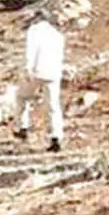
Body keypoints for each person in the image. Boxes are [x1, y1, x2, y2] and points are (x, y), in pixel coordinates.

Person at [13, 9, 66, 152]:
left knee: (22, 97)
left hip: (37, 71)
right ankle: (56, 137)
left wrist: (27, 68)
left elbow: (30, 51)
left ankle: (22, 127)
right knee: (53, 105)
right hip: (54, 72)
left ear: (37, 18)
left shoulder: (34, 31)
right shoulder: (57, 34)